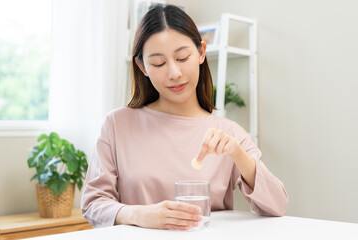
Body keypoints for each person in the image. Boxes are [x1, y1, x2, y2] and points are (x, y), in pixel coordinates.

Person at [81, 5, 288, 230]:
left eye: (182, 57)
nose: (174, 73)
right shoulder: (117, 125)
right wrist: (140, 214)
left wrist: (239, 154)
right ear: (142, 66)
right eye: (159, 63)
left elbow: (278, 205)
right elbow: (93, 203)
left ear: (201, 53)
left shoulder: (227, 134)